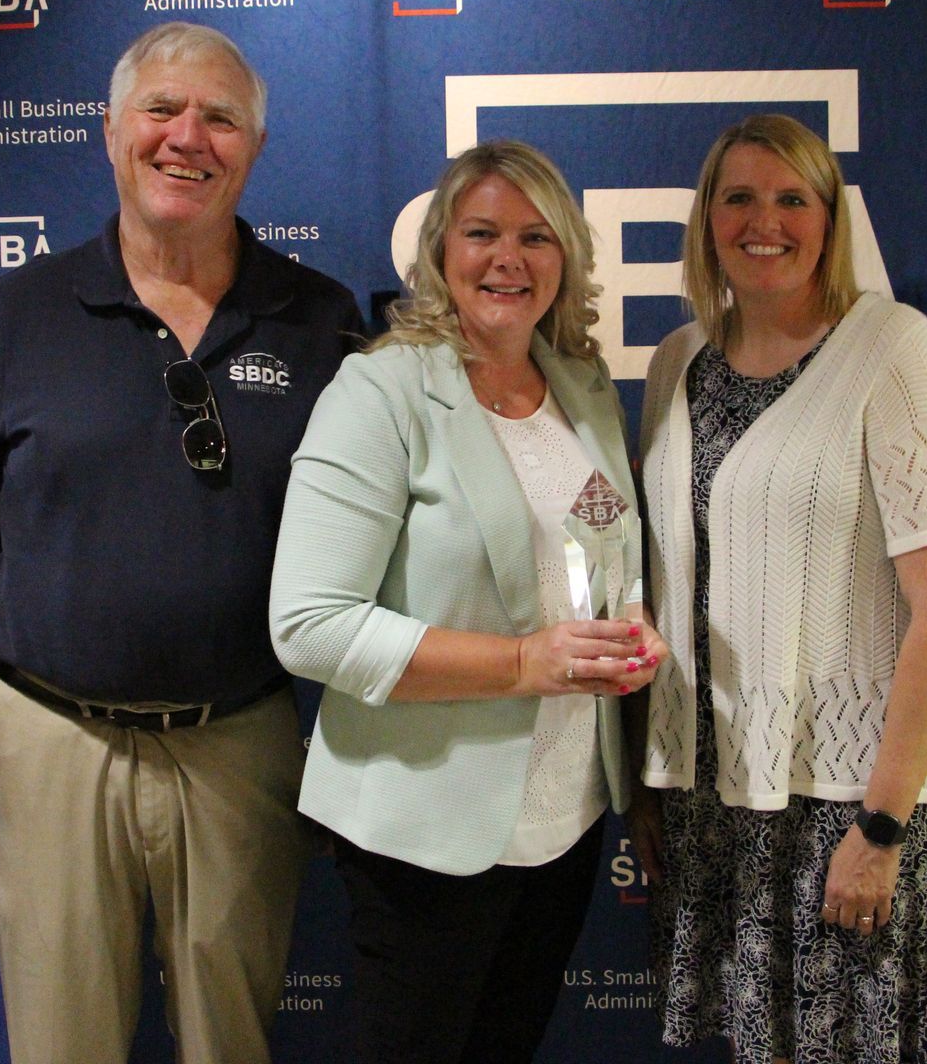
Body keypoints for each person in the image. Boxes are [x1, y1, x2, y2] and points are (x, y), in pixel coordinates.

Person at [0, 21, 362, 1064]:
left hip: (239, 742)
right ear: (111, 132)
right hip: (52, 739)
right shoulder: (21, 310)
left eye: (220, 117)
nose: (185, 137)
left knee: (230, 1042)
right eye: (161, 109)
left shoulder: (318, 320)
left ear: (253, 148)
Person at [268, 140, 669, 1064]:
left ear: (565, 257)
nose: (508, 258)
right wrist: (526, 662)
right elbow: (310, 624)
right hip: (426, 831)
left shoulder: (583, 387)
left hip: (564, 818)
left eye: (536, 237)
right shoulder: (382, 391)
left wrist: (630, 621)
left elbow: (602, 543)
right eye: (482, 232)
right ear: (440, 252)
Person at [633, 114, 927, 1064]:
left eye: (794, 198)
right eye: (739, 197)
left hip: (854, 800)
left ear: (831, 222)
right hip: (720, 800)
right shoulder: (679, 362)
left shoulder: (895, 351)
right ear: (706, 218)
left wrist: (882, 825)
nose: (767, 221)